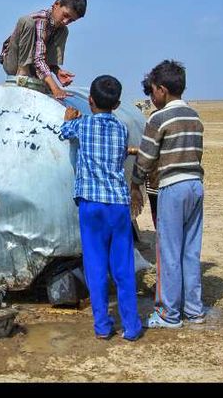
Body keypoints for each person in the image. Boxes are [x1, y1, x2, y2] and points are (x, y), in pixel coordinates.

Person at [60, 75, 143, 341]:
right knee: (123, 266)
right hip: (118, 205)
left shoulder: (82, 125)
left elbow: (63, 133)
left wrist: (68, 118)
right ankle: (131, 326)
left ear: (90, 101)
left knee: (95, 266)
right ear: (117, 104)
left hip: (91, 204)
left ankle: (103, 326)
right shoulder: (121, 129)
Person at [131, 60, 206, 328]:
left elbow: (147, 157)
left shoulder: (159, 118)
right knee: (189, 250)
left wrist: (135, 183)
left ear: (161, 90)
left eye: (152, 91)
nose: (151, 97)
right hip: (195, 185)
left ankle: (168, 314)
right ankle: (194, 310)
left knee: (169, 252)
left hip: (172, 187)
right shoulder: (194, 116)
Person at [0, 0, 87, 99]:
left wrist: (57, 71)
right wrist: (54, 88)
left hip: (35, 67)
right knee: (27, 21)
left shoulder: (60, 28)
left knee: (63, 30)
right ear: (56, 4)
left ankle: (42, 77)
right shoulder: (41, 19)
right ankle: (23, 72)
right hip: (14, 63)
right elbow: (38, 58)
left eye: (71, 20)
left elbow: (41, 56)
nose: (66, 21)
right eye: (65, 15)